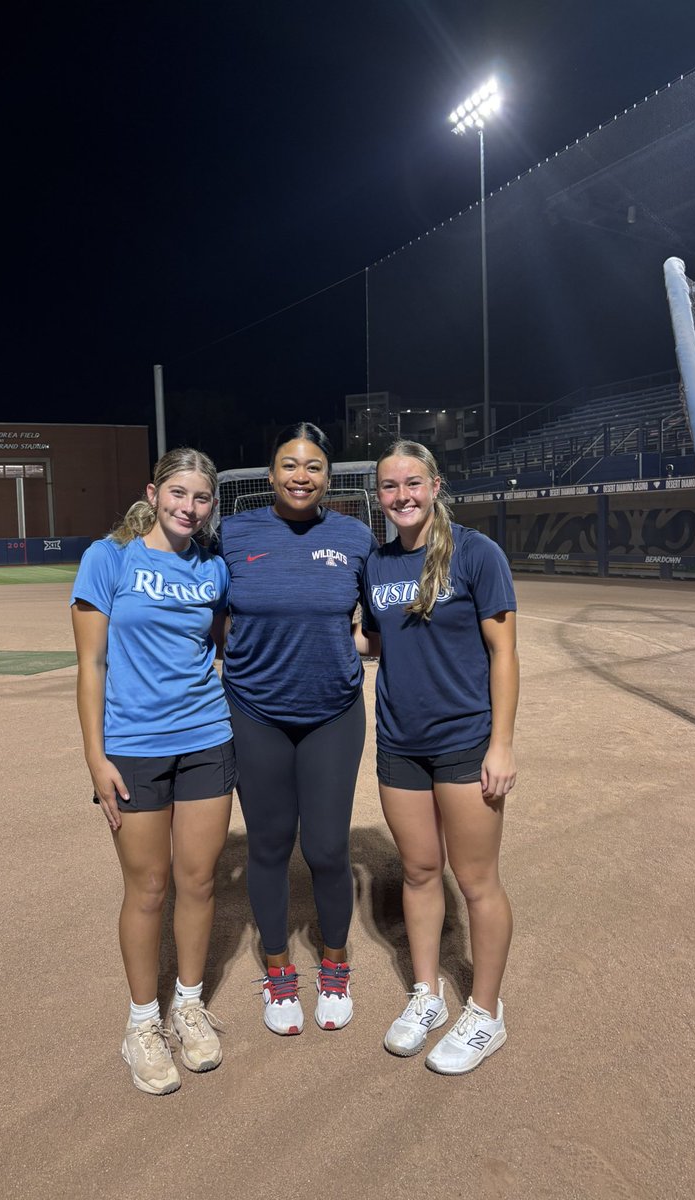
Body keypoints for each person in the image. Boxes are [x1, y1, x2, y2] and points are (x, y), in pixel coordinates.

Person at [70, 448, 235, 1096]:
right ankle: (142, 1023)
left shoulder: (213, 567)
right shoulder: (108, 559)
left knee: (198, 881)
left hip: (207, 739)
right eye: (178, 494)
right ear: (154, 493)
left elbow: (222, 645)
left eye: (201, 497)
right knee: (148, 887)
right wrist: (95, 755)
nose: (189, 507)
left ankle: (188, 1005)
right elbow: (91, 666)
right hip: (134, 747)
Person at [357, 439, 519, 1074]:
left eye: (412, 483)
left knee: (476, 881)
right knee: (420, 871)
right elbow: (375, 640)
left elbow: (504, 653)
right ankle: (426, 995)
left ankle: (485, 1012)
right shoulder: (376, 564)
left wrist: (500, 744)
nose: (402, 496)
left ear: (435, 486)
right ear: (378, 495)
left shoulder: (477, 554)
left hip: (464, 741)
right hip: (400, 741)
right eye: (390, 486)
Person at [217, 422, 378, 1035]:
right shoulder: (234, 534)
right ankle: (279, 970)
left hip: (332, 713)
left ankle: (334, 964)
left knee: (328, 848)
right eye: (289, 464)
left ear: (328, 477)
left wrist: (343, 647)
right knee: (268, 844)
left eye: (313, 466)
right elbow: (212, 618)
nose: (301, 476)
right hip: (255, 711)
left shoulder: (354, 537)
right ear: (270, 474)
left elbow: (375, 622)